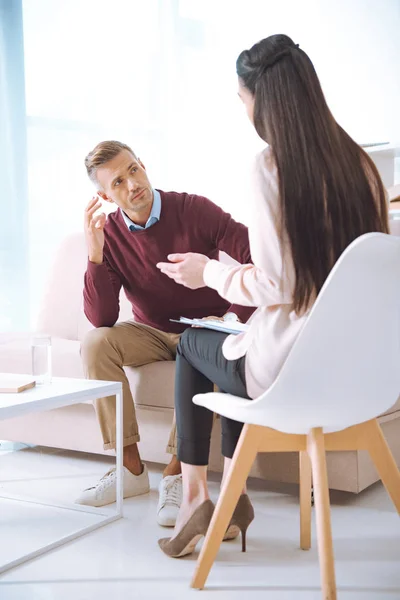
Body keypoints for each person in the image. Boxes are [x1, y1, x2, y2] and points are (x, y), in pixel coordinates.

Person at [156, 33, 389, 557]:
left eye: (242, 100)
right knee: (230, 349)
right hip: (363, 373)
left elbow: (275, 284)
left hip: (294, 370)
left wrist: (211, 273)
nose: (243, 111)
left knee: (194, 344)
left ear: (263, 100)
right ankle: (231, 498)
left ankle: (198, 496)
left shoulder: (270, 167)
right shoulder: (364, 169)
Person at [78, 139, 254, 527]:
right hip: (151, 331)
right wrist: (95, 253)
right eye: (118, 183)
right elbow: (101, 318)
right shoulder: (109, 234)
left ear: (142, 164)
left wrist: (232, 319)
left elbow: (254, 257)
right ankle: (131, 469)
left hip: (205, 333)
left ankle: (177, 474)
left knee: (200, 351)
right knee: (95, 344)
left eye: (133, 171)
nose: (132, 185)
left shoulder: (193, 209)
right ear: (104, 195)